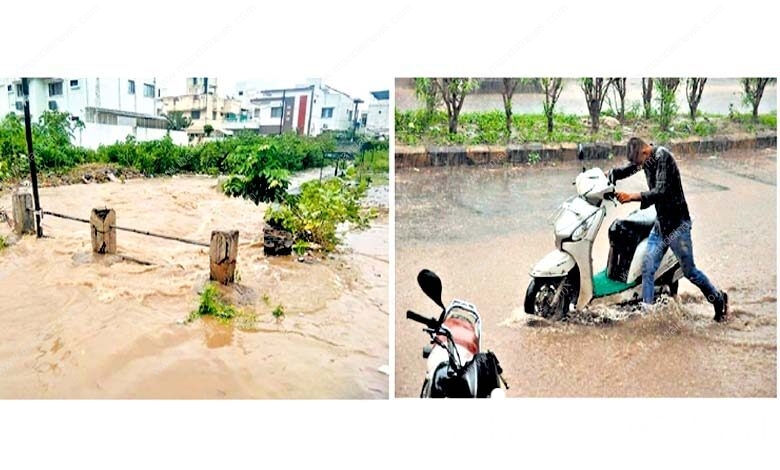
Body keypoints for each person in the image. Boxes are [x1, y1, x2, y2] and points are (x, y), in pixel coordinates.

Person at [609, 137, 729, 322]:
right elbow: (627, 169)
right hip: (661, 225)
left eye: (637, 161)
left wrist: (632, 196)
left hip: (678, 225)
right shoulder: (645, 160)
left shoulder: (663, 157)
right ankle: (648, 316)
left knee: (690, 272)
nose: (637, 166)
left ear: (644, 152)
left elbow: (661, 191)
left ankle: (718, 299)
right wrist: (609, 175)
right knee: (648, 268)